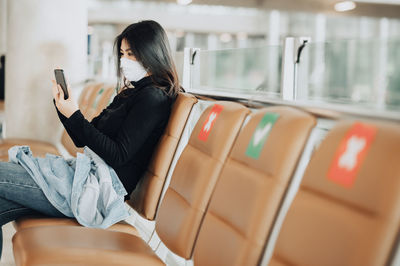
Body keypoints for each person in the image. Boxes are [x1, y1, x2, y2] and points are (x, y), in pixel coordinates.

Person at [0, 20, 180, 258]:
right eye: (123, 53)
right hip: (85, 178)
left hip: (96, 192)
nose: (125, 61)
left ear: (151, 53)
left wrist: (74, 115)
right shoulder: (132, 93)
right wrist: (65, 109)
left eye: (132, 54)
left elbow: (118, 155)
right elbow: (82, 138)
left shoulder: (153, 98)